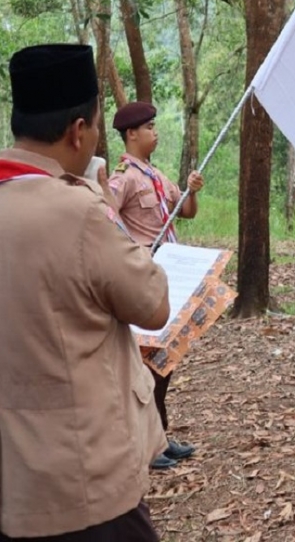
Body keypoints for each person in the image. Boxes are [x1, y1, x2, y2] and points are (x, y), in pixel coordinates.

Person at [0, 44, 168, 540]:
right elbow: (153, 303)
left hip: (12, 488)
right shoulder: (78, 213)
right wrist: (100, 200)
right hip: (86, 484)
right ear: (78, 131)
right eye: (95, 129)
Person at [109, 101, 204, 470]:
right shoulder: (124, 177)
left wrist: (192, 190)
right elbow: (105, 215)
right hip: (144, 277)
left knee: (165, 361)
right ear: (131, 134)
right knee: (148, 364)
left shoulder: (156, 176)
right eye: (149, 127)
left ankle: (160, 435)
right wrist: (132, 252)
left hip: (169, 280)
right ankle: (146, 444)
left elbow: (187, 212)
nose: (155, 132)